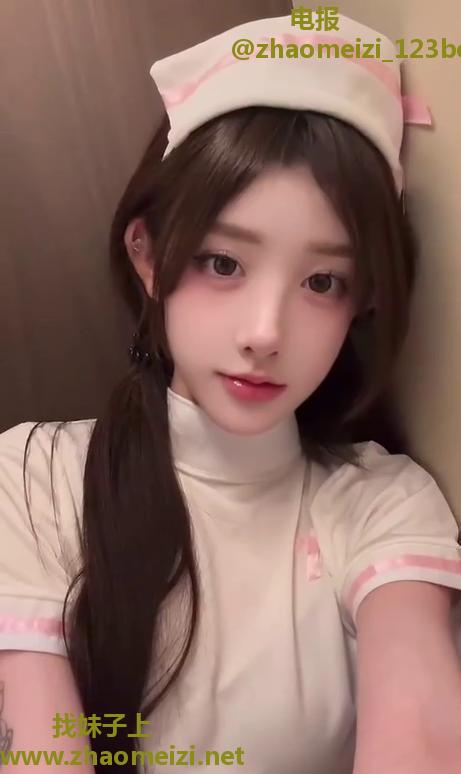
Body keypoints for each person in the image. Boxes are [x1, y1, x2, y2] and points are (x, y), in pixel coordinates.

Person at [1, 10, 461, 774]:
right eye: (222, 263)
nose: (263, 332)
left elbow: (422, 727)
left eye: (322, 281)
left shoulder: (382, 504)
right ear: (148, 255)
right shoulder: (33, 478)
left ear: (364, 298)